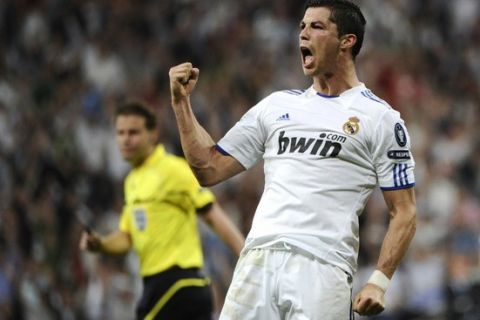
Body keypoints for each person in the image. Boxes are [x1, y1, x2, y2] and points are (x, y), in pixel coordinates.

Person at [168, 0, 417, 319]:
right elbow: (208, 168)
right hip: (257, 261)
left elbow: (405, 211)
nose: (303, 34)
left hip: (322, 267)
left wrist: (378, 282)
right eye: (301, 26)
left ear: (347, 41)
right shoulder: (276, 106)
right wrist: (181, 103)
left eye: (316, 26)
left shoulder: (380, 118)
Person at [79, 102, 245, 320]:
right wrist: (100, 244)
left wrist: (248, 256)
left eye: (134, 132)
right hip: (157, 286)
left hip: (180, 283)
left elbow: (212, 215)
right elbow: (127, 238)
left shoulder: (173, 170)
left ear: (153, 134)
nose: (125, 139)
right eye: (120, 133)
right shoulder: (131, 182)